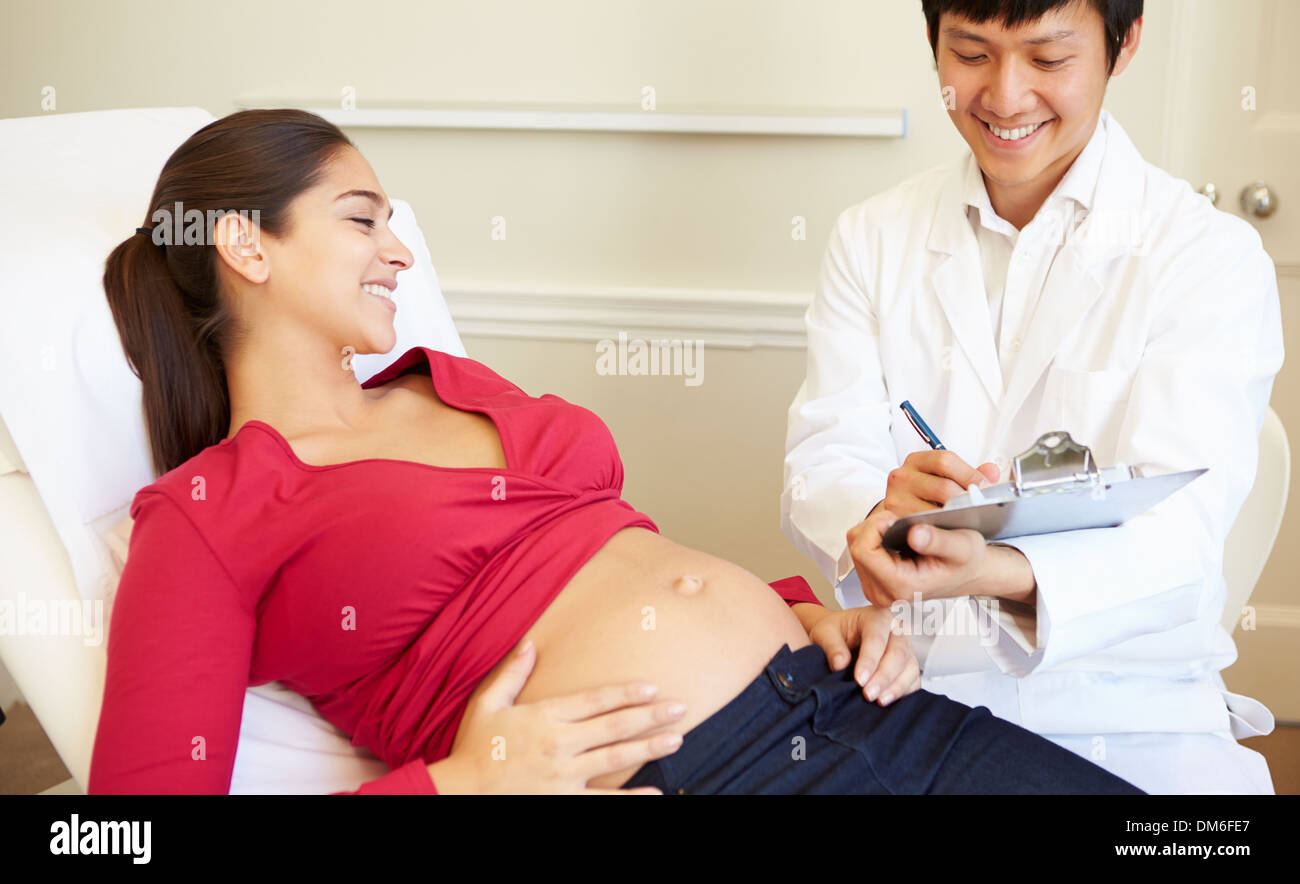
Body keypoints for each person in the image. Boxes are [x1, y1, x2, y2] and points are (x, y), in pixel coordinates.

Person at [89, 109, 1141, 794]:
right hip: (698, 771)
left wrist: (804, 608)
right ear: (244, 242)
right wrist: (458, 784)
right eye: (363, 219)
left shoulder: (444, 381)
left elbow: (602, 554)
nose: (401, 250)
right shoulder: (206, 514)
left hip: (850, 695)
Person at [781, 0, 1281, 794]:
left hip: (1130, 712)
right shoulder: (872, 239)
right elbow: (824, 460)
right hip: (909, 683)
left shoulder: (1207, 257)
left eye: (1047, 55)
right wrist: (880, 517)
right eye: (970, 52)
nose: (1005, 95)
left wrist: (994, 571)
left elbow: (1181, 542)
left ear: (1123, 42)